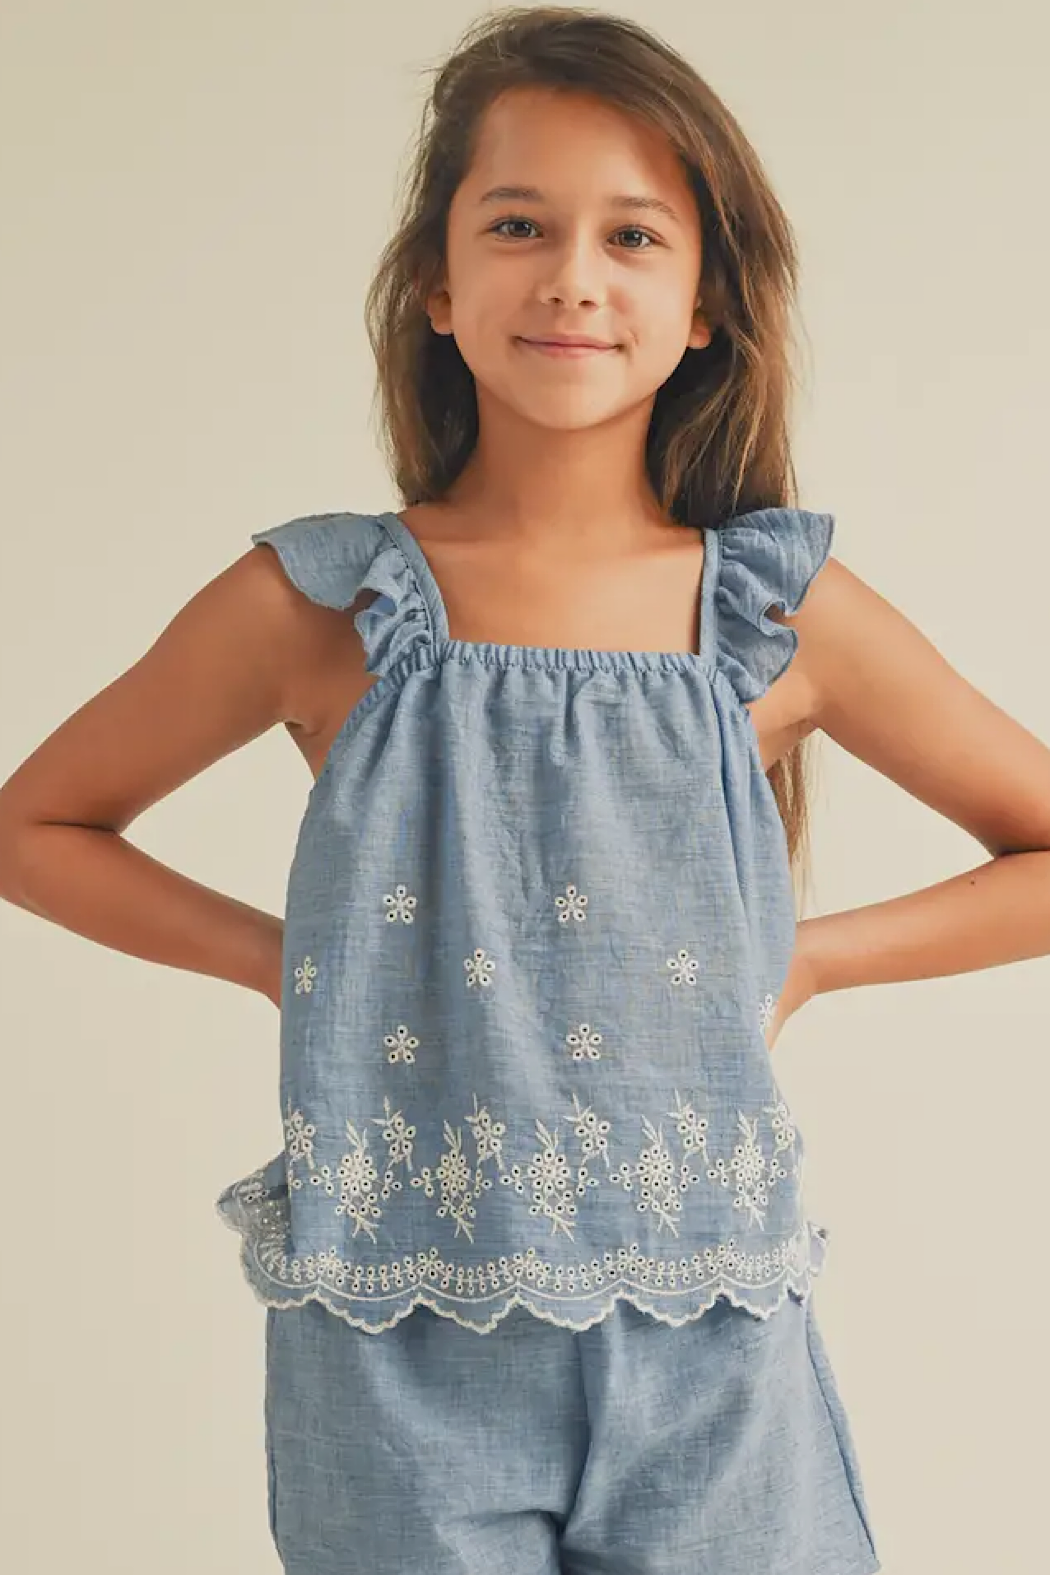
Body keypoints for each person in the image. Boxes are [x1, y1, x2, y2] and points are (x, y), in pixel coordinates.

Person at [4, 6, 1050, 1573]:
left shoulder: (769, 610)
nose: (570, 275)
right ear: (435, 284)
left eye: (631, 234)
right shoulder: (324, 602)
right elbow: (36, 826)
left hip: (707, 1329)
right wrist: (295, 962)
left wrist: (810, 959)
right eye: (516, 225)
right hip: (393, 1336)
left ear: (704, 304)